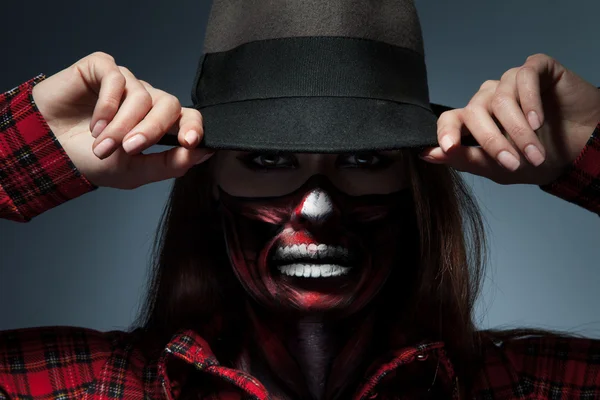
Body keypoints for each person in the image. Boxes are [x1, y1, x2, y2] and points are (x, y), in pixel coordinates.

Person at [1, 0, 600, 398]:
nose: (317, 208)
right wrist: (24, 153)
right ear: (209, 183)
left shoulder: (533, 387)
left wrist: (592, 144)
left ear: (417, 183)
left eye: (365, 159)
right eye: (267, 160)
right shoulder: (80, 388)